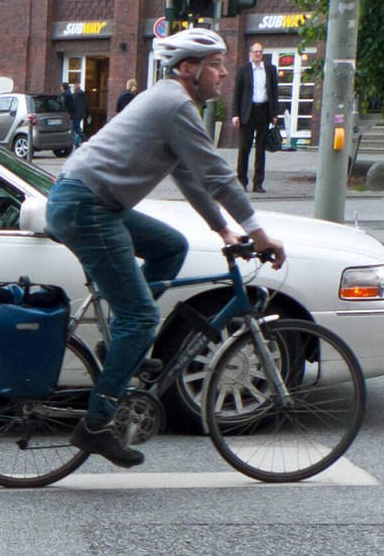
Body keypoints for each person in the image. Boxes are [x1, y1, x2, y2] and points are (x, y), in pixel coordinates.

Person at [46, 27, 287, 467]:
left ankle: (121, 339)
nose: (222, 74)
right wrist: (257, 232)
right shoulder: (176, 104)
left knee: (169, 247)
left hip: (88, 200)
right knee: (142, 319)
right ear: (189, 69)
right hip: (88, 206)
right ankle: (97, 424)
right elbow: (217, 175)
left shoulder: (169, 101)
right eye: (215, 65)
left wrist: (223, 230)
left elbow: (189, 177)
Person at [230, 42, 281, 192]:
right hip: (248, 112)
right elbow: (237, 94)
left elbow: (274, 92)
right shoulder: (244, 70)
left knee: (260, 150)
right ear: (250, 53)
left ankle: (258, 183)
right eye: (255, 52)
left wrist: (274, 114)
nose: (258, 54)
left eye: (260, 52)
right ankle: (241, 181)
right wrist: (235, 114)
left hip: (263, 111)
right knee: (244, 149)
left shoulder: (270, 70)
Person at [64, 82, 88, 146]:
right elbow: (86, 105)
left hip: (75, 114)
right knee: (76, 128)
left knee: (76, 128)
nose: (73, 88)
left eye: (74, 86)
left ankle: (84, 139)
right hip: (80, 114)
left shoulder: (75, 95)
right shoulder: (83, 95)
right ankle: (77, 143)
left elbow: (72, 105)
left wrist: (70, 113)